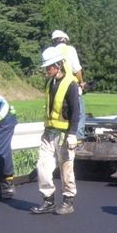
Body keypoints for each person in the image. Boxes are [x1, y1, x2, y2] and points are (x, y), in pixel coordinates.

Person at [32, 46, 82, 215]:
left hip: (64, 134)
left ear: (59, 65)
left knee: (66, 167)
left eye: (50, 66)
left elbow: (76, 111)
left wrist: (73, 134)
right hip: (49, 132)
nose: (47, 70)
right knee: (43, 166)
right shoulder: (49, 82)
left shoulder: (71, 84)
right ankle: (48, 200)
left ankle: (68, 202)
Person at [51, 30, 87, 139]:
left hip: (55, 86)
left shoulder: (52, 51)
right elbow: (77, 69)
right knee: (78, 111)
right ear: (65, 40)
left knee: (59, 111)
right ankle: (78, 137)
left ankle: (60, 135)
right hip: (71, 85)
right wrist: (81, 82)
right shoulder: (70, 49)